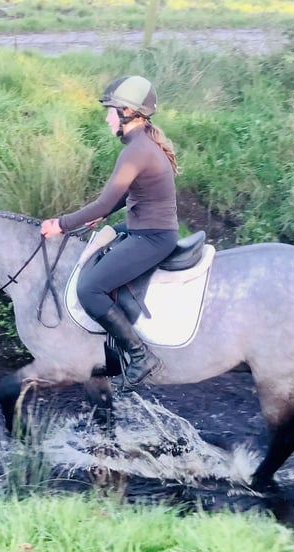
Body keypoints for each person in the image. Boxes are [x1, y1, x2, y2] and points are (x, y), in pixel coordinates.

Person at [41, 75, 179, 390]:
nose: (107, 118)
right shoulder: (141, 144)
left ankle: (140, 356)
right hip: (144, 226)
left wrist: (60, 224)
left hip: (152, 236)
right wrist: (101, 216)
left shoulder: (136, 150)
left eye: (110, 111)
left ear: (127, 112)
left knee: (89, 289)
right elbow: (122, 196)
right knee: (99, 245)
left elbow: (104, 201)